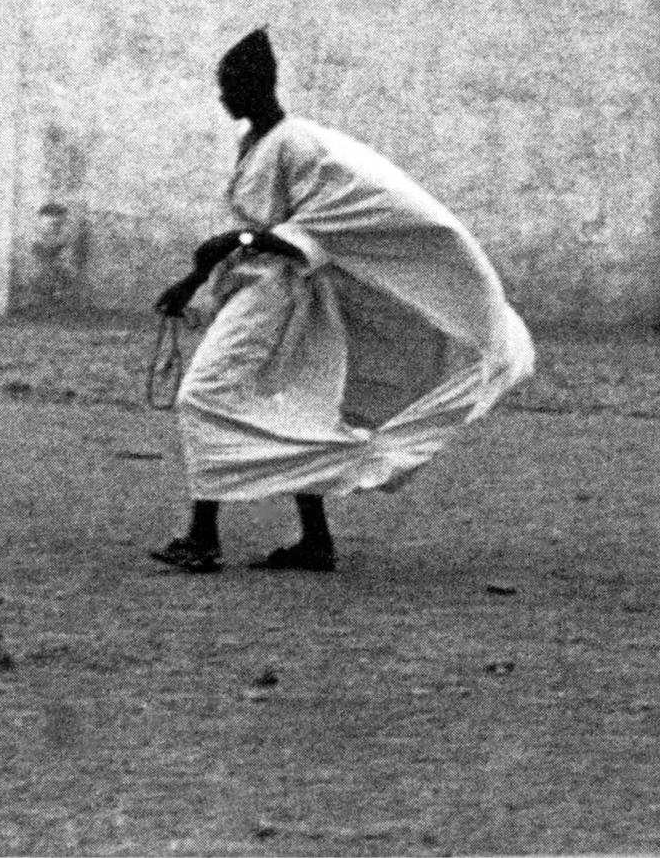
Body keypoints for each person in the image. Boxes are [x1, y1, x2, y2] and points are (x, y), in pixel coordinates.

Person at [144, 28, 534, 575]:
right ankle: (315, 541)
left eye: (230, 84)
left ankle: (203, 537)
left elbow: (312, 234)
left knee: (203, 395)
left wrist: (235, 243)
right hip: (260, 289)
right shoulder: (257, 142)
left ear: (258, 85)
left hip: (280, 295)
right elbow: (264, 228)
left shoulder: (300, 144)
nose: (222, 96)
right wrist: (198, 276)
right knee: (299, 402)